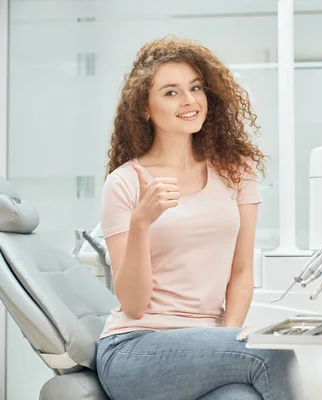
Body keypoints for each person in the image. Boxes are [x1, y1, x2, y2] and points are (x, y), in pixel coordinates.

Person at [95, 36, 299, 400]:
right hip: (135, 349)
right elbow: (133, 304)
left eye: (196, 88)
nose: (189, 101)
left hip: (207, 345)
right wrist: (142, 222)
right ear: (144, 107)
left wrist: (227, 341)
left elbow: (241, 272)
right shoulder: (124, 183)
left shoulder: (235, 171)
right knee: (274, 352)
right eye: (171, 92)